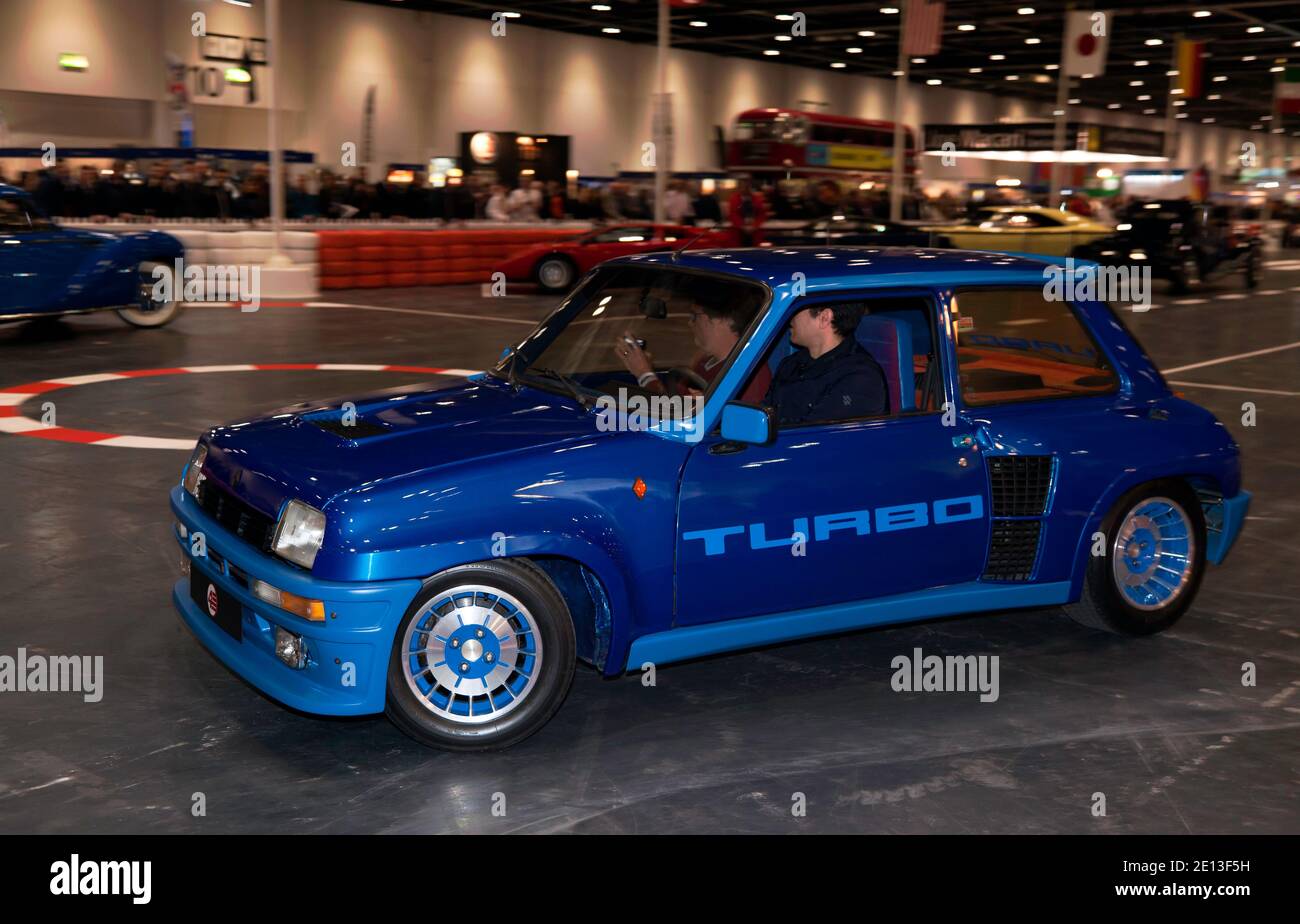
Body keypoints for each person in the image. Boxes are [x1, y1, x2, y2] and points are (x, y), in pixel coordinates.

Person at [614, 296, 770, 402]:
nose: (690, 323)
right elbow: (675, 401)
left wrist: (644, 374)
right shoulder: (706, 362)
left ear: (724, 320)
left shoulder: (747, 375)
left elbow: (675, 413)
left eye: (695, 316)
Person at [765, 302, 888, 427]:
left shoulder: (860, 376)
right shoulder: (791, 364)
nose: (788, 315)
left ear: (825, 318)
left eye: (797, 308)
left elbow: (811, 435)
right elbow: (762, 414)